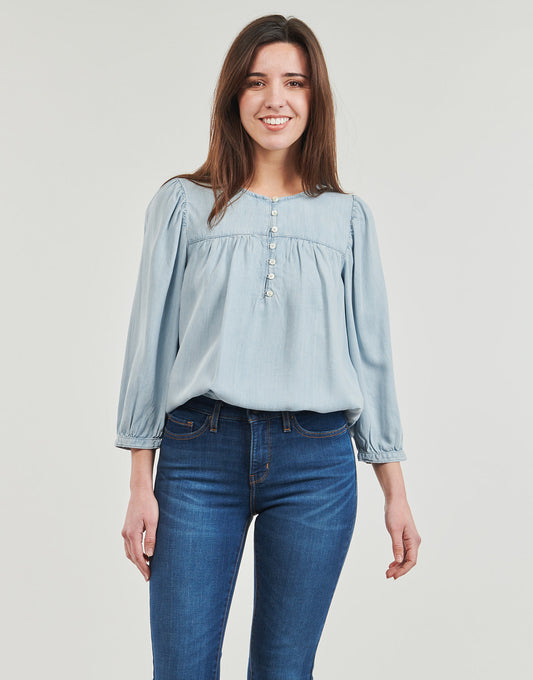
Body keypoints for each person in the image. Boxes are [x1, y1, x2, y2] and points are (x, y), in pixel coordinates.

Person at [115, 13, 421, 680]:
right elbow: (149, 343)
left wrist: (394, 492)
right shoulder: (182, 205)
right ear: (233, 95)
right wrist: (140, 483)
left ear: (315, 98)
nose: (274, 99)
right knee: (181, 668)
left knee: (285, 671)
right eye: (256, 82)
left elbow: (371, 356)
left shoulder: (347, 218)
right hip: (198, 456)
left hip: (317, 465)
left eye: (293, 83)